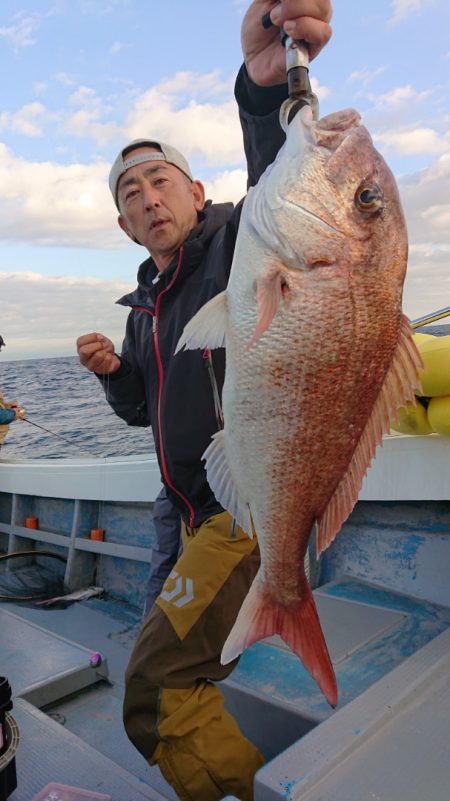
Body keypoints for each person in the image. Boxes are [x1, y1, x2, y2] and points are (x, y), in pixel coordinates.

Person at [77, 2, 333, 799]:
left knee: (153, 690)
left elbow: (280, 184)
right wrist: (117, 374)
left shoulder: (238, 243)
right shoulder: (147, 304)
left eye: (159, 180)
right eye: (131, 194)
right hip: (180, 511)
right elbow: (142, 414)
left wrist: (263, 87)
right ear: (124, 226)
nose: (148, 198)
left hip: (244, 507)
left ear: (196, 191)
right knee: (166, 655)